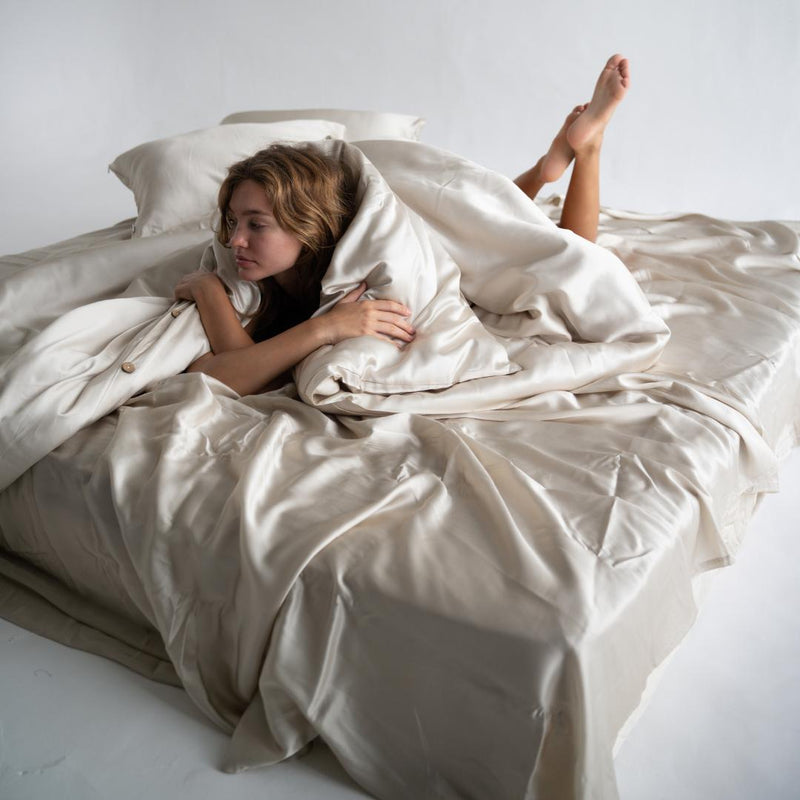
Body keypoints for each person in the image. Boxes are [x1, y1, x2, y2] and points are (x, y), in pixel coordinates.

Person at [174, 54, 630, 396]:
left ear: (307, 224)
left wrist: (321, 327)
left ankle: (582, 154)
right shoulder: (254, 272)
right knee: (498, 236)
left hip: (437, 265)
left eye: (257, 224)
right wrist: (217, 292)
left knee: (567, 259)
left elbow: (240, 367)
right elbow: (226, 372)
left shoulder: (365, 268)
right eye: (233, 221)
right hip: (439, 248)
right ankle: (542, 174)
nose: (234, 240)